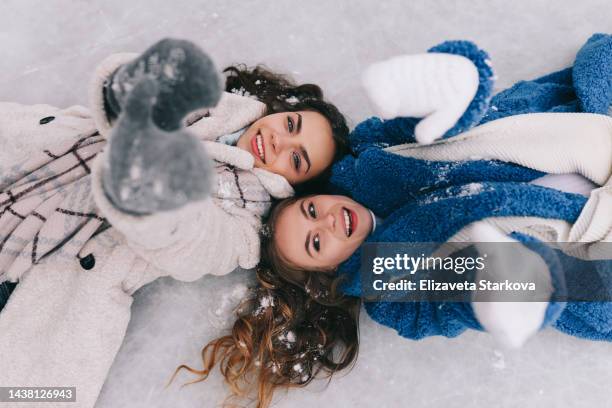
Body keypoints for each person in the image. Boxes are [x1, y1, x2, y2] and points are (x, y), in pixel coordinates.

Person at [176, 34, 612, 408]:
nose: (327, 222)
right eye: (315, 243)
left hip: (562, 142)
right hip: (579, 235)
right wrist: (506, 285)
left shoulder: (371, 162)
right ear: (327, 271)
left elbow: (418, 127)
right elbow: (449, 297)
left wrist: (443, 89)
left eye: (311, 210)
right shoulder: (383, 282)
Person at [0, 38, 349, 408]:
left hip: (34, 278)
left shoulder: (240, 225)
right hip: (22, 163)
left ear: (293, 187)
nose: (280, 142)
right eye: (291, 124)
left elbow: (188, 237)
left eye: (297, 160)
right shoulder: (206, 105)